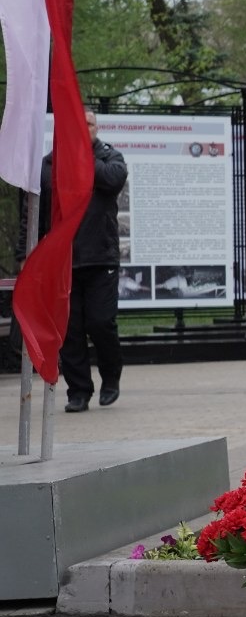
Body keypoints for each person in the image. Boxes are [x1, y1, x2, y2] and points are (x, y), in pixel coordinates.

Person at [38, 109, 128, 413]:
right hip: (64, 261)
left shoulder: (110, 157)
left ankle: (111, 378)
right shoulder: (51, 163)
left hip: (101, 258)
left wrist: (81, 155)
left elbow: (112, 179)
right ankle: (78, 391)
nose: (84, 128)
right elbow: (40, 210)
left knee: (101, 323)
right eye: (78, 124)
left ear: (96, 128)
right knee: (70, 331)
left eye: (89, 124)